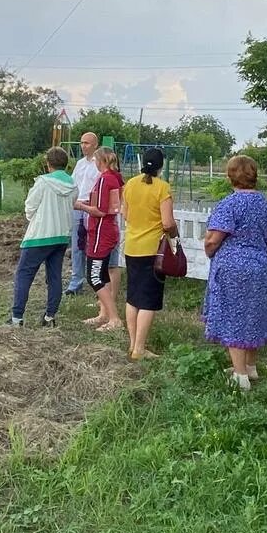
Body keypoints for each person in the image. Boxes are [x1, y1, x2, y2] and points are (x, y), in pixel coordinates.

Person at [203, 155, 267, 391]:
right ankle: (251, 366)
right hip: (260, 264)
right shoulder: (264, 202)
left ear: (230, 176)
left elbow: (214, 239)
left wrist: (209, 249)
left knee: (233, 315)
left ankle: (240, 375)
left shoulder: (230, 203)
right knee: (253, 312)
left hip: (234, 266)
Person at [9, 146, 77, 328]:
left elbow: (30, 206)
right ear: (66, 164)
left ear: (48, 164)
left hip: (39, 236)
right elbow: (72, 204)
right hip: (61, 236)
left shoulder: (43, 182)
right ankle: (50, 316)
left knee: (24, 274)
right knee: (54, 277)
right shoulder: (72, 184)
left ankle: (17, 318)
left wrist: (34, 220)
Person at [122, 148, 178, 361]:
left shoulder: (130, 184)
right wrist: (174, 234)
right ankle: (140, 349)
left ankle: (132, 344)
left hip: (132, 246)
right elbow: (167, 222)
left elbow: (125, 213)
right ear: (161, 166)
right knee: (148, 300)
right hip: (152, 249)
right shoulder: (162, 188)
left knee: (133, 296)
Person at [76, 147, 125, 332]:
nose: (95, 163)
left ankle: (114, 318)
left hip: (100, 232)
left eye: (96, 160)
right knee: (104, 273)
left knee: (94, 276)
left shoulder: (105, 179)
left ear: (101, 161)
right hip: (111, 229)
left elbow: (101, 211)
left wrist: (80, 206)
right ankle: (104, 313)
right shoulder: (116, 177)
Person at [66, 132, 100, 296]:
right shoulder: (80, 164)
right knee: (77, 245)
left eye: (87, 143)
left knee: (93, 245)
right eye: (81, 143)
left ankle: (96, 280)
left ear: (95, 145)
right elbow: (73, 184)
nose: (83, 146)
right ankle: (75, 282)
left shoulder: (99, 164)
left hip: (92, 207)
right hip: (77, 206)